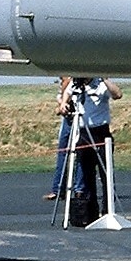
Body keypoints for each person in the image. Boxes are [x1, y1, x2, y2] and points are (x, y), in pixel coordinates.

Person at [67, 76, 123, 222]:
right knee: (87, 174)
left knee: (106, 173)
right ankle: (91, 212)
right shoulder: (75, 85)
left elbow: (118, 94)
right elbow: (64, 100)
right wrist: (63, 105)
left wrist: (105, 78)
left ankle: (108, 210)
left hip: (100, 132)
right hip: (83, 132)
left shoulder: (100, 85)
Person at [44, 76, 74, 201]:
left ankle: (78, 189)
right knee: (62, 155)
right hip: (66, 121)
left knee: (78, 157)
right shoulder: (63, 85)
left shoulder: (71, 82)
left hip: (75, 120)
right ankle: (58, 189)